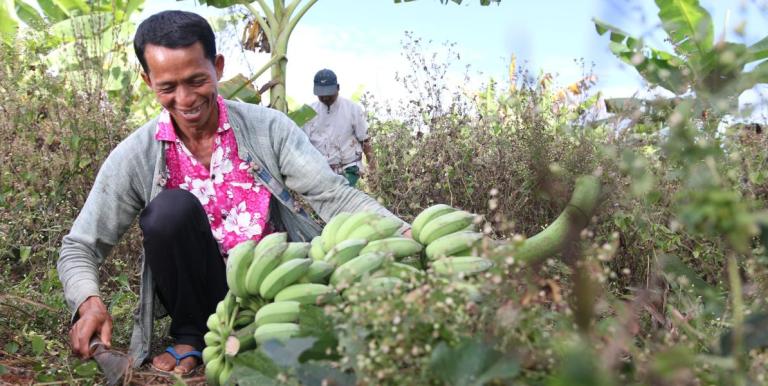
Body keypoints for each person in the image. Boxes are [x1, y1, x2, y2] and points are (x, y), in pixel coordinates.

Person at [57, 10, 405, 375]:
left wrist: (402, 231)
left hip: (274, 288)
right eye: (168, 87)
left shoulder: (268, 129)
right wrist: (88, 301)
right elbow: (80, 245)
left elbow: (335, 196)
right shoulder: (137, 154)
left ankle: (271, 335)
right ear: (148, 81)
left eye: (196, 80)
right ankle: (191, 335)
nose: (186, 99)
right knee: (169, 210)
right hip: (202, 297)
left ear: (218, 67)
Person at [302, 69, 374, 187]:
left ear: (338, 88)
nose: (325, 98)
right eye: (322, 95)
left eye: (329, 94)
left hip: (349, 168)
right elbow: (302, 145)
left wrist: (373, 169)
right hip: (320, 171)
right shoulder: (307, 112)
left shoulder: (352, 109)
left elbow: (365, 141)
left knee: (342, 199)